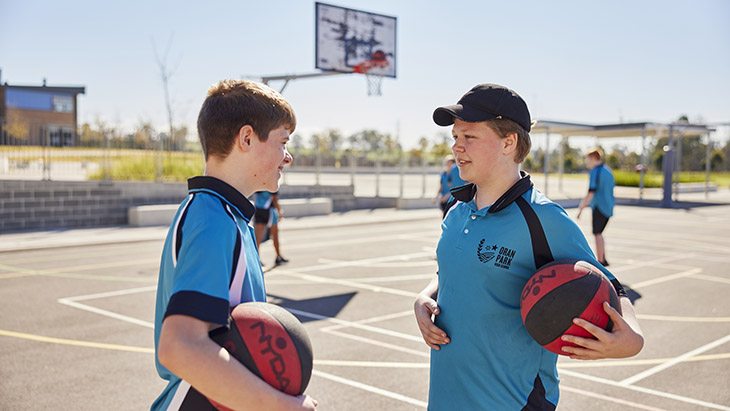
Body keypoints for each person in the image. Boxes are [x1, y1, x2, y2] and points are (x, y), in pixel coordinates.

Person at [414, 83, 643, 410]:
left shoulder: (544, 219)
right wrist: (426, 296)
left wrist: (632, 338)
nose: (457, 148)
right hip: (446, 398)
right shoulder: (457, 211)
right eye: (455, 137)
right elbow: (450, 271)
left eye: (470, 137)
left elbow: (610, 284)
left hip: (514, 401)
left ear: (509, 142)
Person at [152, 80, 317, 411]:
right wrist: (280, 406)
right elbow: (180, 346)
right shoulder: (213, 220)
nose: (289, 157)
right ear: (246, 138)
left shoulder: (225, 215)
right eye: (283, 142)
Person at [577, 148, 615, 267]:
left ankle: (600, 260)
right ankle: (602, 256)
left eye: (588, 159)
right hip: (608, 207)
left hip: (599, 207)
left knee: (597, 233)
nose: (587, 161)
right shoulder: (607, 171)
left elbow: (591, 192)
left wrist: (581, 208)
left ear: (594, 158)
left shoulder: (595, 172)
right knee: (599, 233)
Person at [254, 190, 289, 266]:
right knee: (275, 235)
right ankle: (278, 257)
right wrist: (279, 211)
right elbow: (274, 199)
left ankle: (256, 259)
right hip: (269, 210)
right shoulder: (271, 182)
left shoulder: (259, 182)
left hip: (258, 209)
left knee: (257, 238)